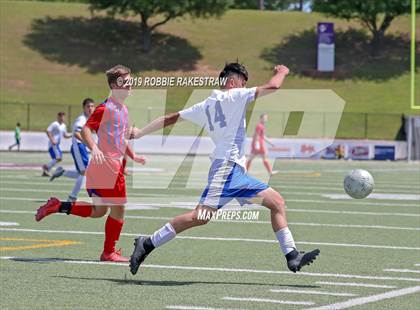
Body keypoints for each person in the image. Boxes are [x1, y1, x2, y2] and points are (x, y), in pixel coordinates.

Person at [128, 63, 319, 275]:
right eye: (242, 81)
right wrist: (282, 72)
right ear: (231, 82)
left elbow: (170, 118)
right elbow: (273, 86)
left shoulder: (205, 105)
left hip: (235, 173)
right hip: (226, 171)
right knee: (199, 217)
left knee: (276, 202)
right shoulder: (234, 96)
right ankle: (147, 243)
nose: (244, 86)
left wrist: (140, 132)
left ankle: (292, 256)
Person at [35, 65, 146, 262]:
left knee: (99, 211)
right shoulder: (106, 108)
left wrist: (133, 155)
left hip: (106, 165)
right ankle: (108, 252)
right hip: (107, 166)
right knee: (119, 209)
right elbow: (86, 130)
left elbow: (121, 138)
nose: (129, 84)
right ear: (113, 85)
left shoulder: (122, 109)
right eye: (124, 81)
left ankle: (59, 205)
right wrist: (94, 148)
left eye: (130, 80)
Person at [50, 98, 95, 202]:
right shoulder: (81, 119)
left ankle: (63, 172)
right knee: (84, 173)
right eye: (88, 106)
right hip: (78, 146)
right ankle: (72, 197)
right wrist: (88, 144)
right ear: (83, 108)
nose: (90, 108)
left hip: (82, 147)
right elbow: (76, 133)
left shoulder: (90, 119)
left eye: (92, 106)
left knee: (81, 173)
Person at [42, 112, 72, 176]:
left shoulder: (64, 126)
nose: (62, 118)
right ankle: (46, 168)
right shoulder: (54, 124)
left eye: (63, 117)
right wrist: (52, 139)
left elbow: (65, 135)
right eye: (60, 117)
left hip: (57, 145)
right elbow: (48, 131)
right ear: (58, 117)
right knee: (58, 158)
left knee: (58, 158)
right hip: (53, 144)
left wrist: (72, 135)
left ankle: (46, 169)